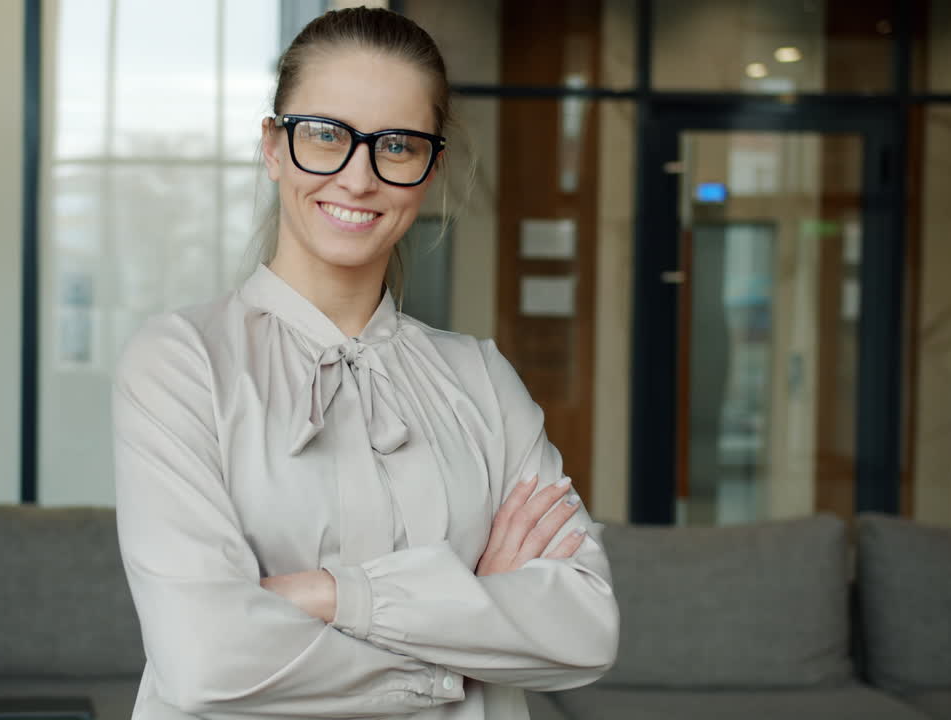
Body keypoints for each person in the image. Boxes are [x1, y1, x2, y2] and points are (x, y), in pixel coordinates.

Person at [113, 7, 618, 718]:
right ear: (273, 147)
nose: (357, 179)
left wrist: (328, 595)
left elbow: (584, 628)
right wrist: (467, 626)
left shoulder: (481, 378)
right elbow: (205, 658)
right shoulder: (181, 361)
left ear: (430, 169)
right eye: (325, 134)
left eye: (398, 146)